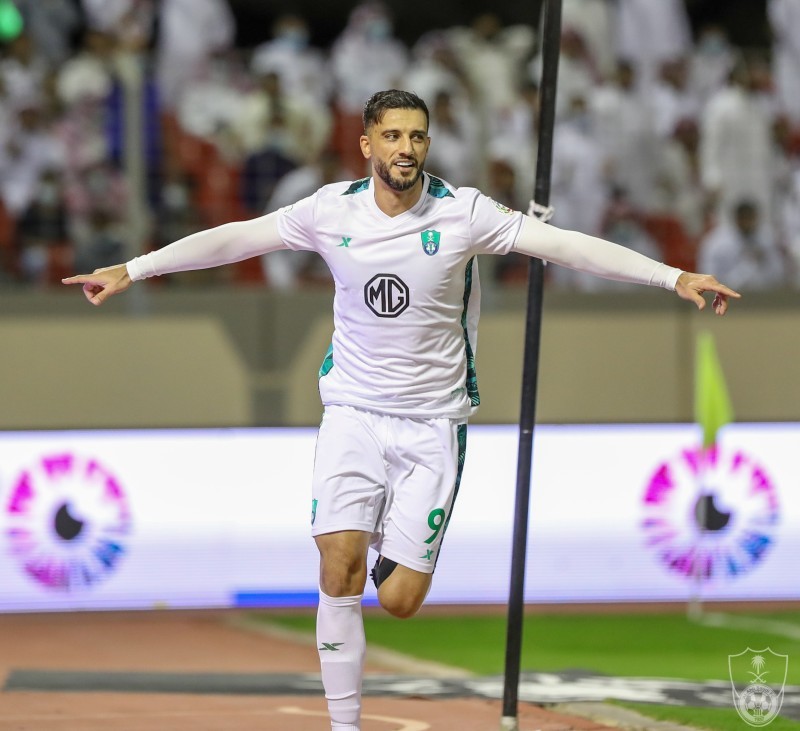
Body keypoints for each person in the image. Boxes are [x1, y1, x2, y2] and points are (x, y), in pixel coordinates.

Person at [62, 89, 740, 731]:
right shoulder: (331, 211)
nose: (405, 147)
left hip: (433, 424)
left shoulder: (464, 213)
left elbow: (565, 247)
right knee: (338, 569)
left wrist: (672, 275)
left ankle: (393, 539)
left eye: (416, 136)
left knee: (399, 601)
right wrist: (134, 268)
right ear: (367, 145)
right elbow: (238, 238)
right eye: (391, 136)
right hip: (353, 411)